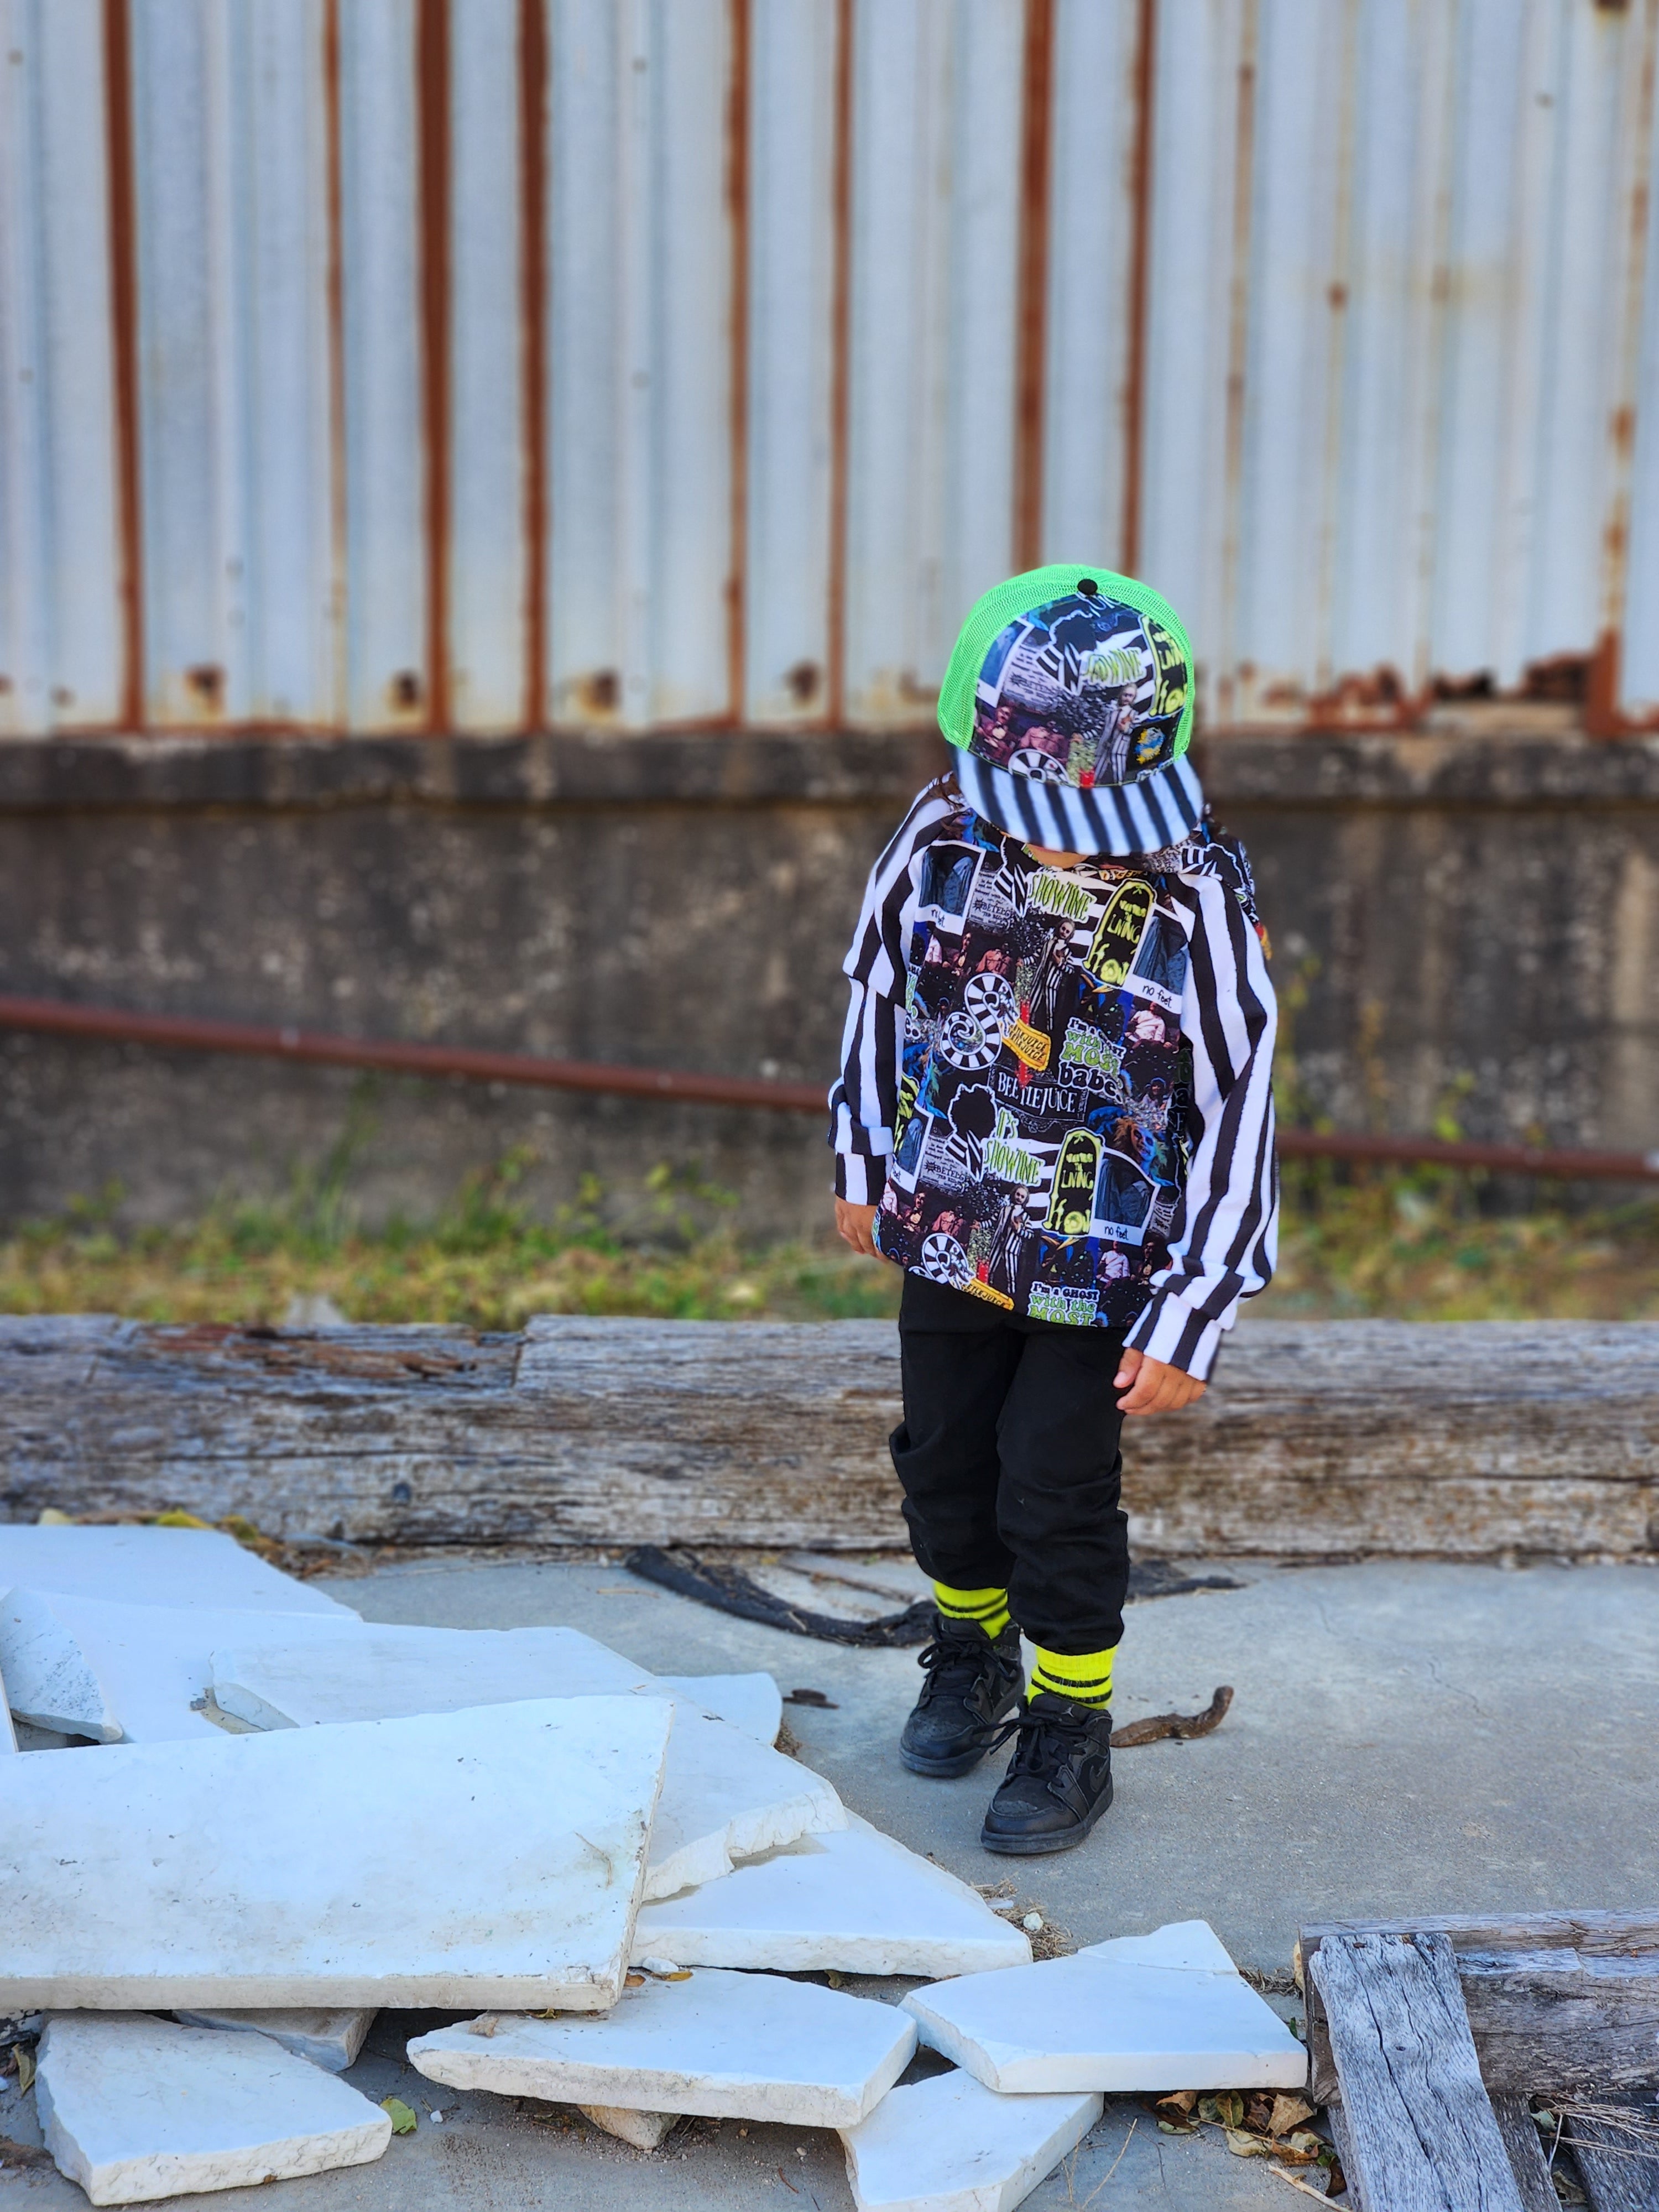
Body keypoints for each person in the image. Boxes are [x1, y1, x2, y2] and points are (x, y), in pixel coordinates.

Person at [828, 565, 1276, 1857]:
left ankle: (1071, 1721)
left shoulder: (1197, 895)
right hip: (954, 1223)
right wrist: (864, 1152)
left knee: (1055, 1486)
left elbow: (1240, 1098)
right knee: (946, 1460)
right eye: (1040, 812)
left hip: (1107, 1257)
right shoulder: (938, 835)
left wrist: (1195, 1307)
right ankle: (968, 1648)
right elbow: (880, 992)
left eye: (1102, 815)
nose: (1071, 841)